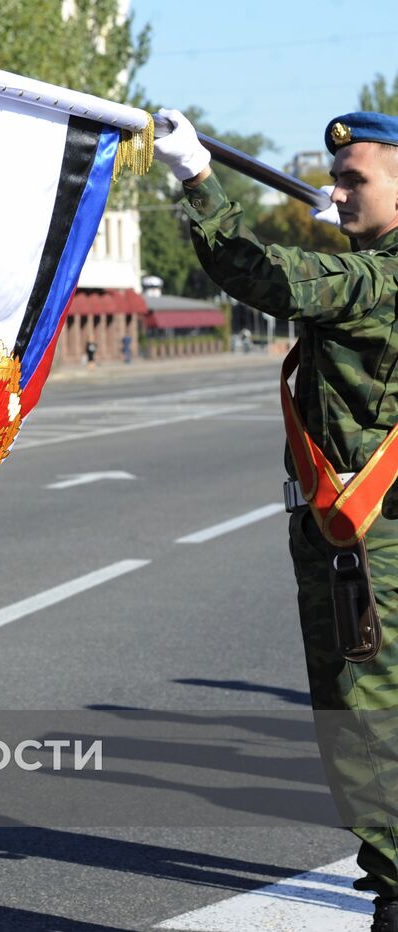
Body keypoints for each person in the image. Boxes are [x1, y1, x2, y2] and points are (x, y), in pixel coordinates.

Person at [157, 107, 398, 929]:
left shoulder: (385, 278)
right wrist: (359, 234)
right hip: (358, 538)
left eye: (355, 180)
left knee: (367, 730)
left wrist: (198, 182)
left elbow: (269, 278)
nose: (335, 191)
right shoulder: (379, 267)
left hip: (372, 541)